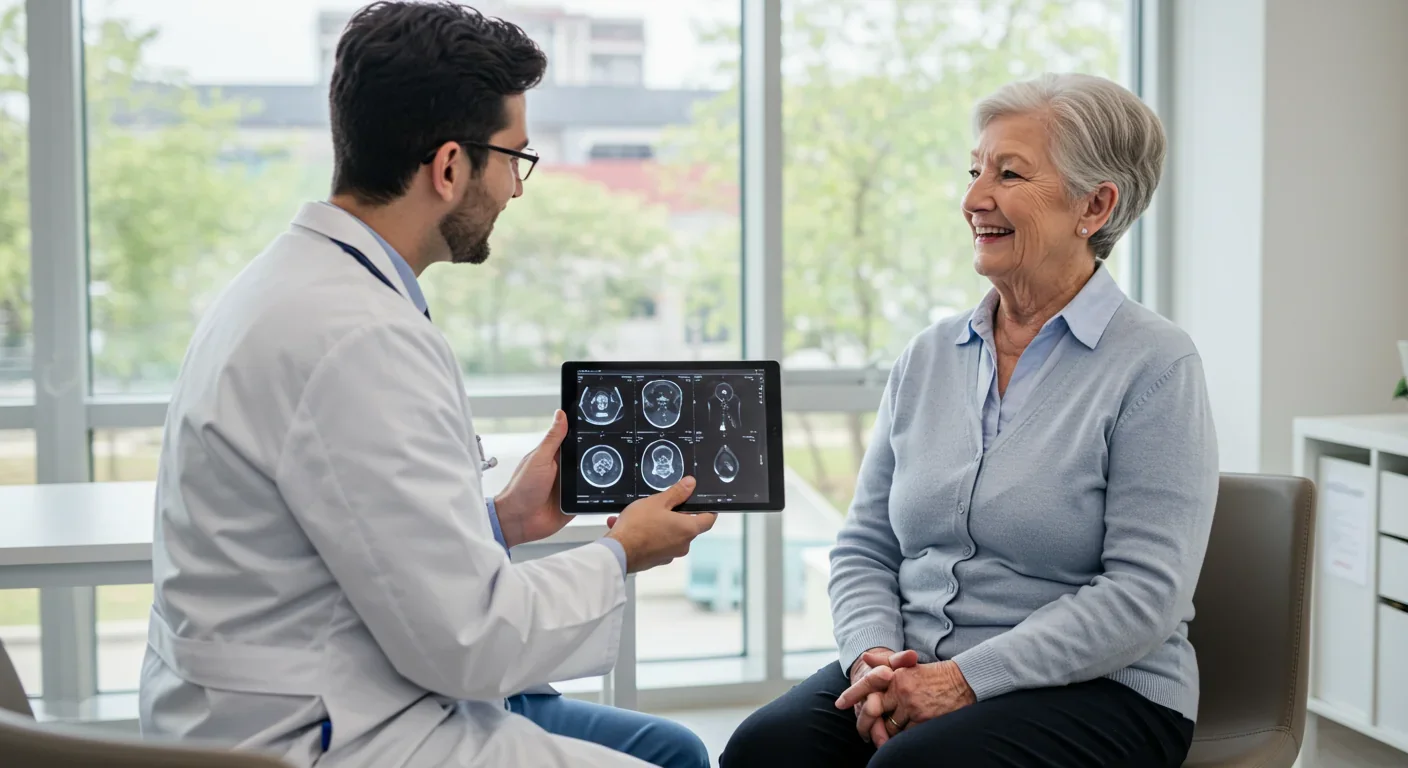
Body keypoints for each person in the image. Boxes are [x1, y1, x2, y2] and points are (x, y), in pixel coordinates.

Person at [139, 4, 716, 768]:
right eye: (516, 158)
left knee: (667, 750)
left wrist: (502, 519)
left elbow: (360, 543)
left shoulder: (288, 286)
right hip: (323, 734)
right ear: (449, 167)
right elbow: (470, 641)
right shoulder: (360, 338)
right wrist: (621, 553)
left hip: (295, 696)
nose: (515, 188)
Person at [722, 73, 1218, 768]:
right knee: (764, 749)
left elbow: (1145, 596)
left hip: (1106, 690)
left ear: (1095, 205)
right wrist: (872, 660)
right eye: (974, 171)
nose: (974, 199)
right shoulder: (929, 356)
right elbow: (866, 543)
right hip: (917, 665)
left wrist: (962, 681)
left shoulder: (1156, 365)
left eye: (1009, 174)